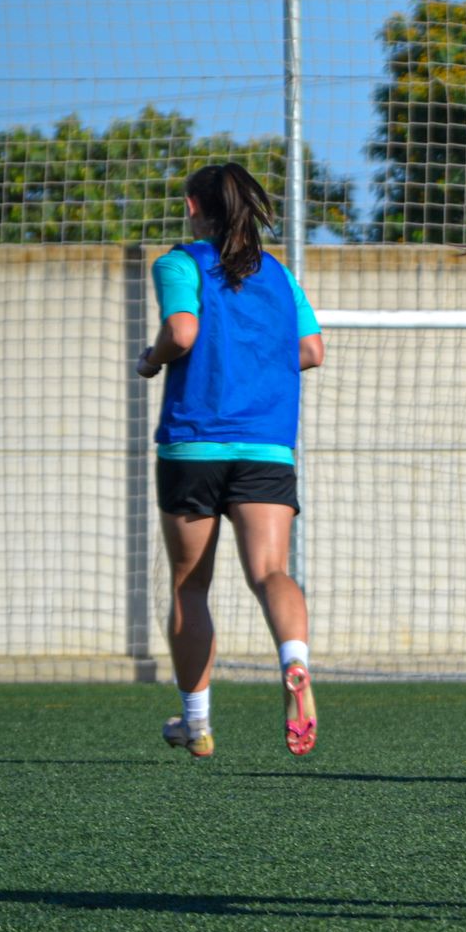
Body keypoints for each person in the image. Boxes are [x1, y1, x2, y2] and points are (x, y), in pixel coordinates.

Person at [136, 163, 324, 759]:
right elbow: (312, 351)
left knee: (192, 584)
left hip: (195, 442)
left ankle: (196, 724)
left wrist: (152, 358)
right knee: (270, 571)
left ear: (194, 206)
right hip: (266, 445)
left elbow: (183, 331)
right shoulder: (279, 274)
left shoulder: (179, 261)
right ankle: (294, 662)